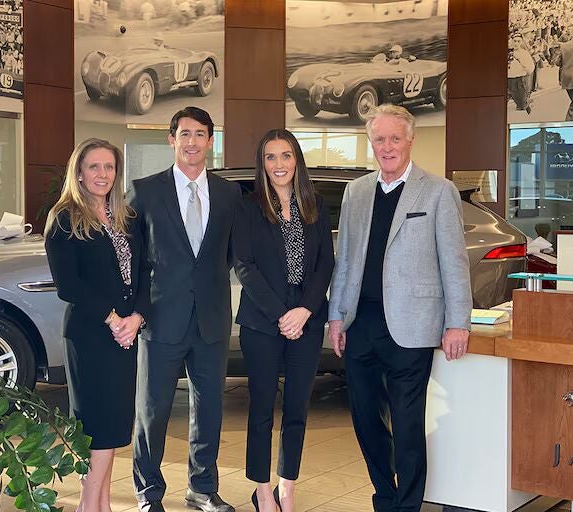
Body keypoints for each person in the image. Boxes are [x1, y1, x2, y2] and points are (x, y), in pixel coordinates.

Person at [328, 104, 472, 512]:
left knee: (409, 427)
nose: (387, 146)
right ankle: (384, 496)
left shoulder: (438, 190)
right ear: (369, 142)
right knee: (365, 420)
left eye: (395, 138)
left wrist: (458, 321)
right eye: (379, 139)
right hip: (361, 324)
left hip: (413, 325)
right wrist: (337, 314)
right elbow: (347, 260)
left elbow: (454, 261)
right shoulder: (356, 191)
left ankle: (407, 505)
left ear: (410, 140)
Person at [130, 106, 241, 512]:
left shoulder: (229, 194)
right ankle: (148, 493)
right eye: (185, 134)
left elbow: (229, 254)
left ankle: (202, 489)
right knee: (152, 411)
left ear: (211, 141)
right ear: (171, 139)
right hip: (160, 317)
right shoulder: (144, 191)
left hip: (211, 319)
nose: (192, 142)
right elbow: (132, 259)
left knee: (209, 408)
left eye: (200, 134)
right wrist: (135, 311)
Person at [44, 138, 149, 512]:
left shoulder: (128, 218)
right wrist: (113, 318)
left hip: (125, 335)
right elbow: (68, 284)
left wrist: (136, 318)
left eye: (109, 167)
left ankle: (101, 504)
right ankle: (89, 505)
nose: (102, 174)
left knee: (116, 424)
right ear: (79, 172)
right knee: (96, 426)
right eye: (94, 167)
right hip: (90, 335)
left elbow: (143, 276)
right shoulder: (64, 218)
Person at [233, 129, 334, 512]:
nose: (279, 165)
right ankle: (261, 491)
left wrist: (305, 310)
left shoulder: (315, 205)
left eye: (286, 156)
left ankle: (286, 489)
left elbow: (326, 261)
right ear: (263, 163)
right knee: (260, 410)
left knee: (297, 408)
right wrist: (281, 314)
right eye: (271, 157)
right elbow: (245, 266)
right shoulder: (247, 207)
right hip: (263, 319)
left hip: (306, 317)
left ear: (297, 161)